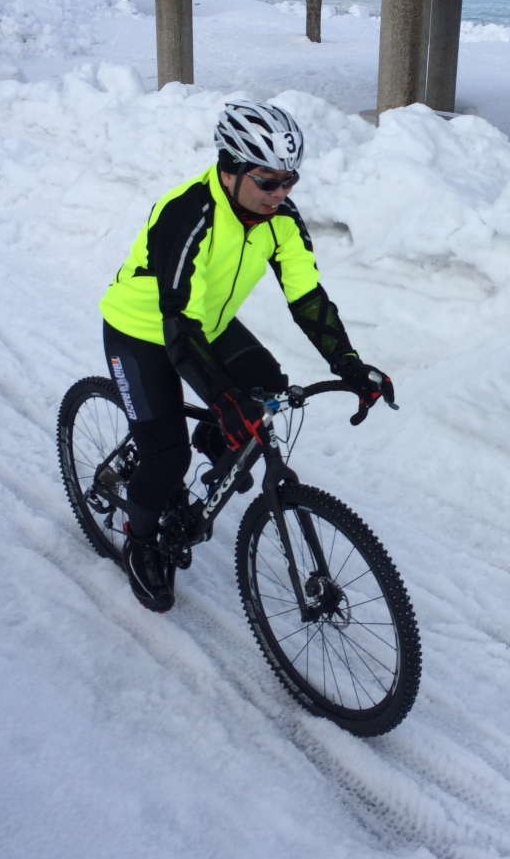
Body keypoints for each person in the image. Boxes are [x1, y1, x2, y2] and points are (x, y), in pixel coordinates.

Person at [99, 101, 394, 613]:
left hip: (205, 324)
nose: (280, 194)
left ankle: (210, 435)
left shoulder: (279, 219)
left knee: (267, 390)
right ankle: (141, 541)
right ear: (230, 169)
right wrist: (222, 397)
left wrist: (349, 364)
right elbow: (176, 322)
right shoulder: (188, 213)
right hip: (143, 330)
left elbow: (308, 298)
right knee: (168, 455)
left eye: (289, 181)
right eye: (267, 182)